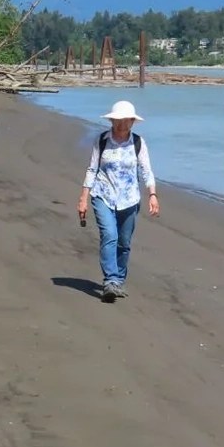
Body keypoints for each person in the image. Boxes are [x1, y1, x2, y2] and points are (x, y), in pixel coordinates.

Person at [76, 99, 160, 302]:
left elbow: (146, 170)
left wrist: (153, 195)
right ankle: (110, 280)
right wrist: (83, 197)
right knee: (109, 235)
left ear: (132, 121)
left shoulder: (138, 143)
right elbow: (92, 168)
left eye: (126, 120)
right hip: (102, 195)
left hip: (130, 200)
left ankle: (119, 280)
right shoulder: (102, 140)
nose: (122, 124)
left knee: (124, 243)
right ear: (112, 120)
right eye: (118, 120)